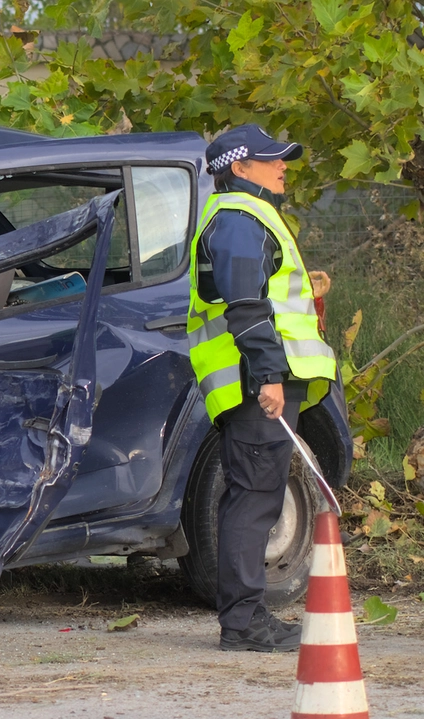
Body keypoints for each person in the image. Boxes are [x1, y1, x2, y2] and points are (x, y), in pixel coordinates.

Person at [186, 124, 338, 652]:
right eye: (273, 160)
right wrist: (269, 376)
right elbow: (247, 307)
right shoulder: (237, 219)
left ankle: (246, 619)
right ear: (238, 167)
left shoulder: (247, 217)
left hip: (258, 385)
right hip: (257, 388)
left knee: (256, 499)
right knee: (253, 502)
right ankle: (245, 623)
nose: (284, 166)